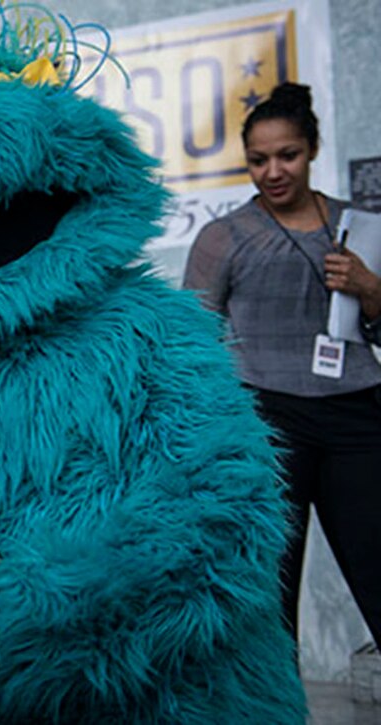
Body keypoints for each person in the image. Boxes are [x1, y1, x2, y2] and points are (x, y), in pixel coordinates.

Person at [184, 82, 381, 649]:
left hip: (358, 416)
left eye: (287, 155)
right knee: (270, 589)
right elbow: (194, 341)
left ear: (313, 149)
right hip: (269, 423)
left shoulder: (358, 226)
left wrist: (371, 288)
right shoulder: (223, 238)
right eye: (257, 160)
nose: (273, 171)